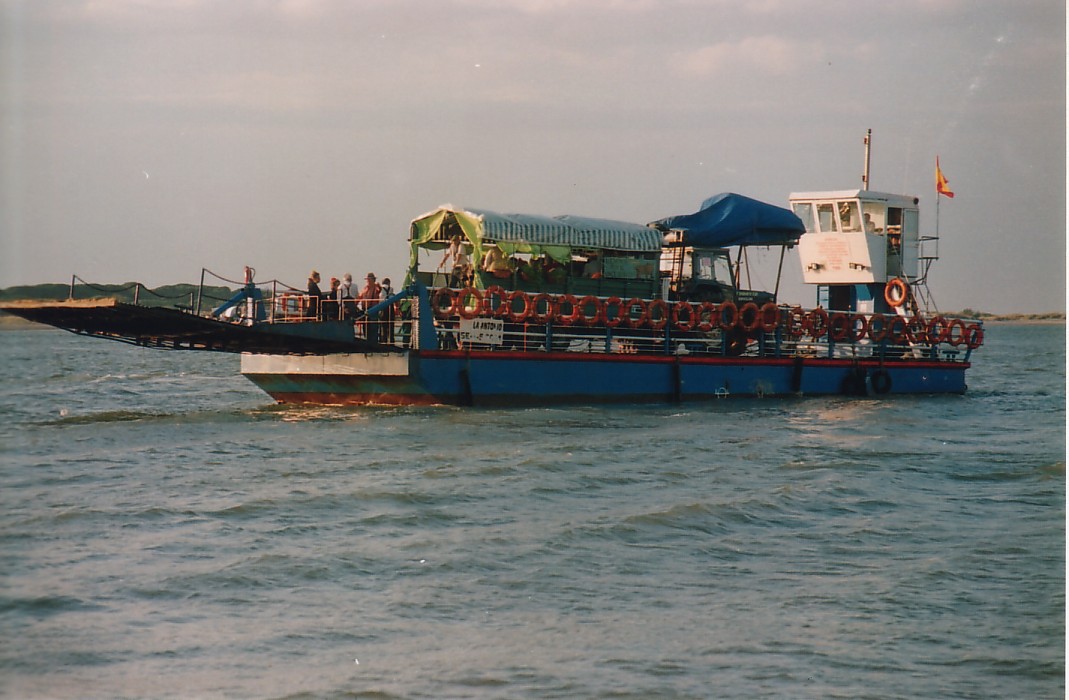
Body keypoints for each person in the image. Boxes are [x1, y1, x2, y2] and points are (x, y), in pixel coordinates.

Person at [359, 273, 382, 341]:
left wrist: (378, 286)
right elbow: (359, 297)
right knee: (365, 327)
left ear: (373, 280)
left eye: (369, 279)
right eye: (367, 279)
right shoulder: (364, 288)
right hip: (365, 310)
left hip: (373, 310)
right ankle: (367, 340)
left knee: (373, 327)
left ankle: (374, 341)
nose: (367, 281)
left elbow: (379, 290)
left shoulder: (376, 288)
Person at [379, 277, 396, 343]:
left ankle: (383, 340)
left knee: (383, 325)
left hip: (383, 306)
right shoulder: (391, 289)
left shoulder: (380, 288)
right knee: (391, 324)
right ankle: (391, 340)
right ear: (389, 283)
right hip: (390, 306)